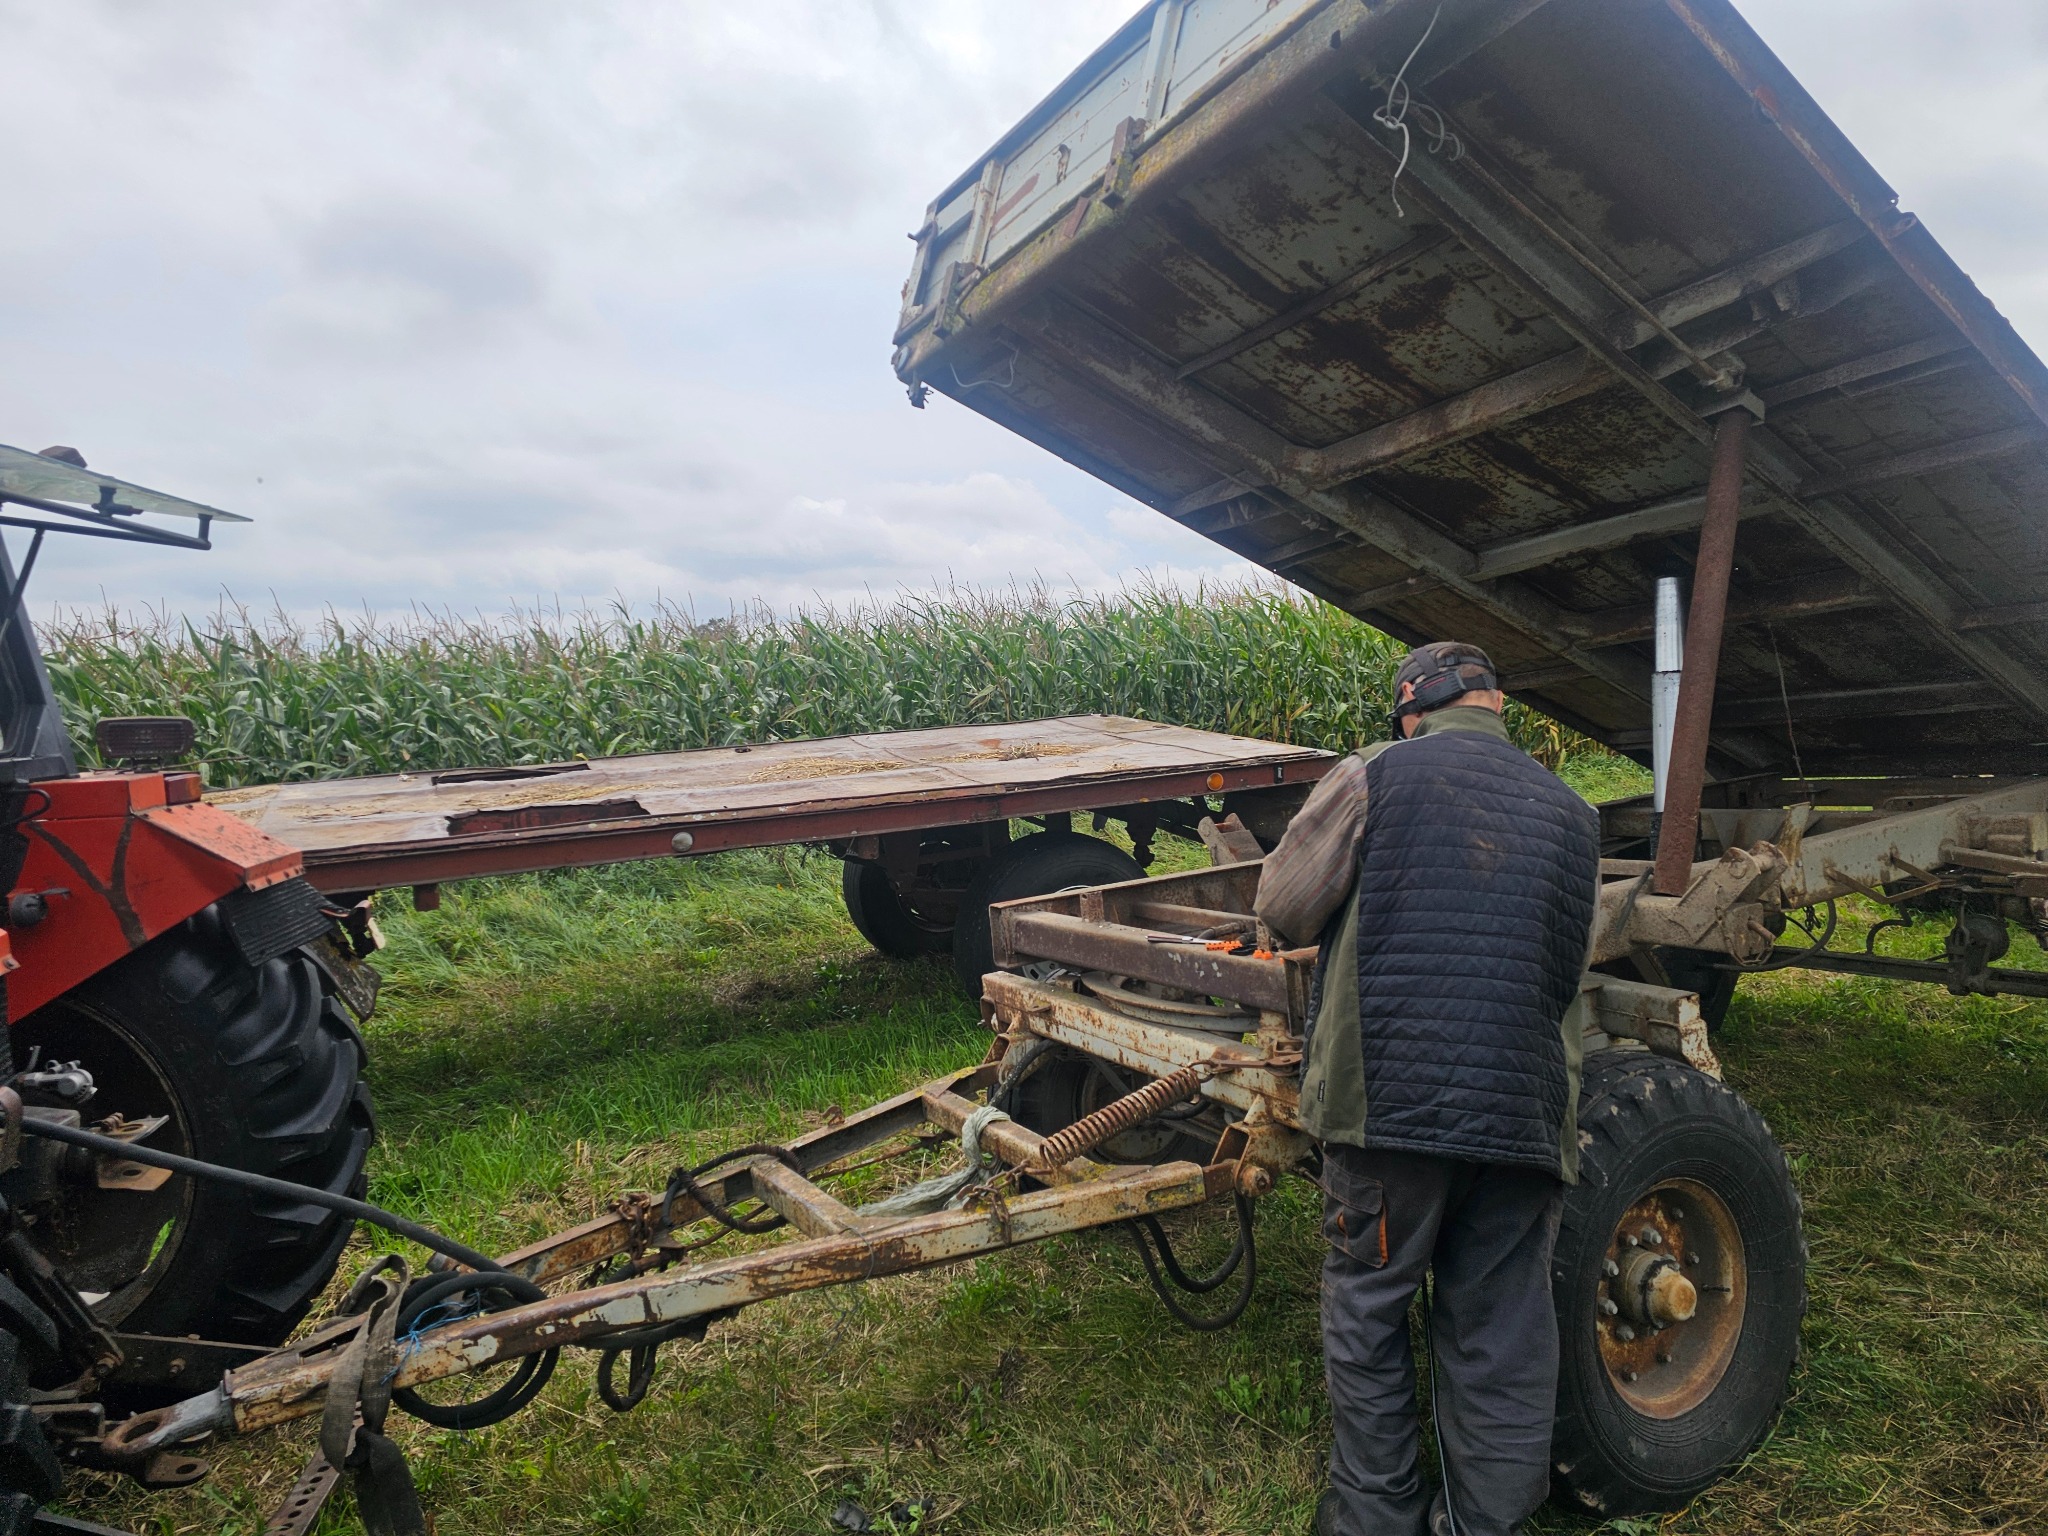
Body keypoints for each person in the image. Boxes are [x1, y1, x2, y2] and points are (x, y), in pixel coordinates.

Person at [1256, 642, 1601, 1536]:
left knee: (1369, 1305)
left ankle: (1375, 1517)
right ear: (1493, 705)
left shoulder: (1375, 774)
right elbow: (1565, 963)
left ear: (1412, 710)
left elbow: (1284, 906)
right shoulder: (1574, 813)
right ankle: (1486, 1522)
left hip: (1390, 1108)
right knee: (1500, 1328)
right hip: (1524, 1114)